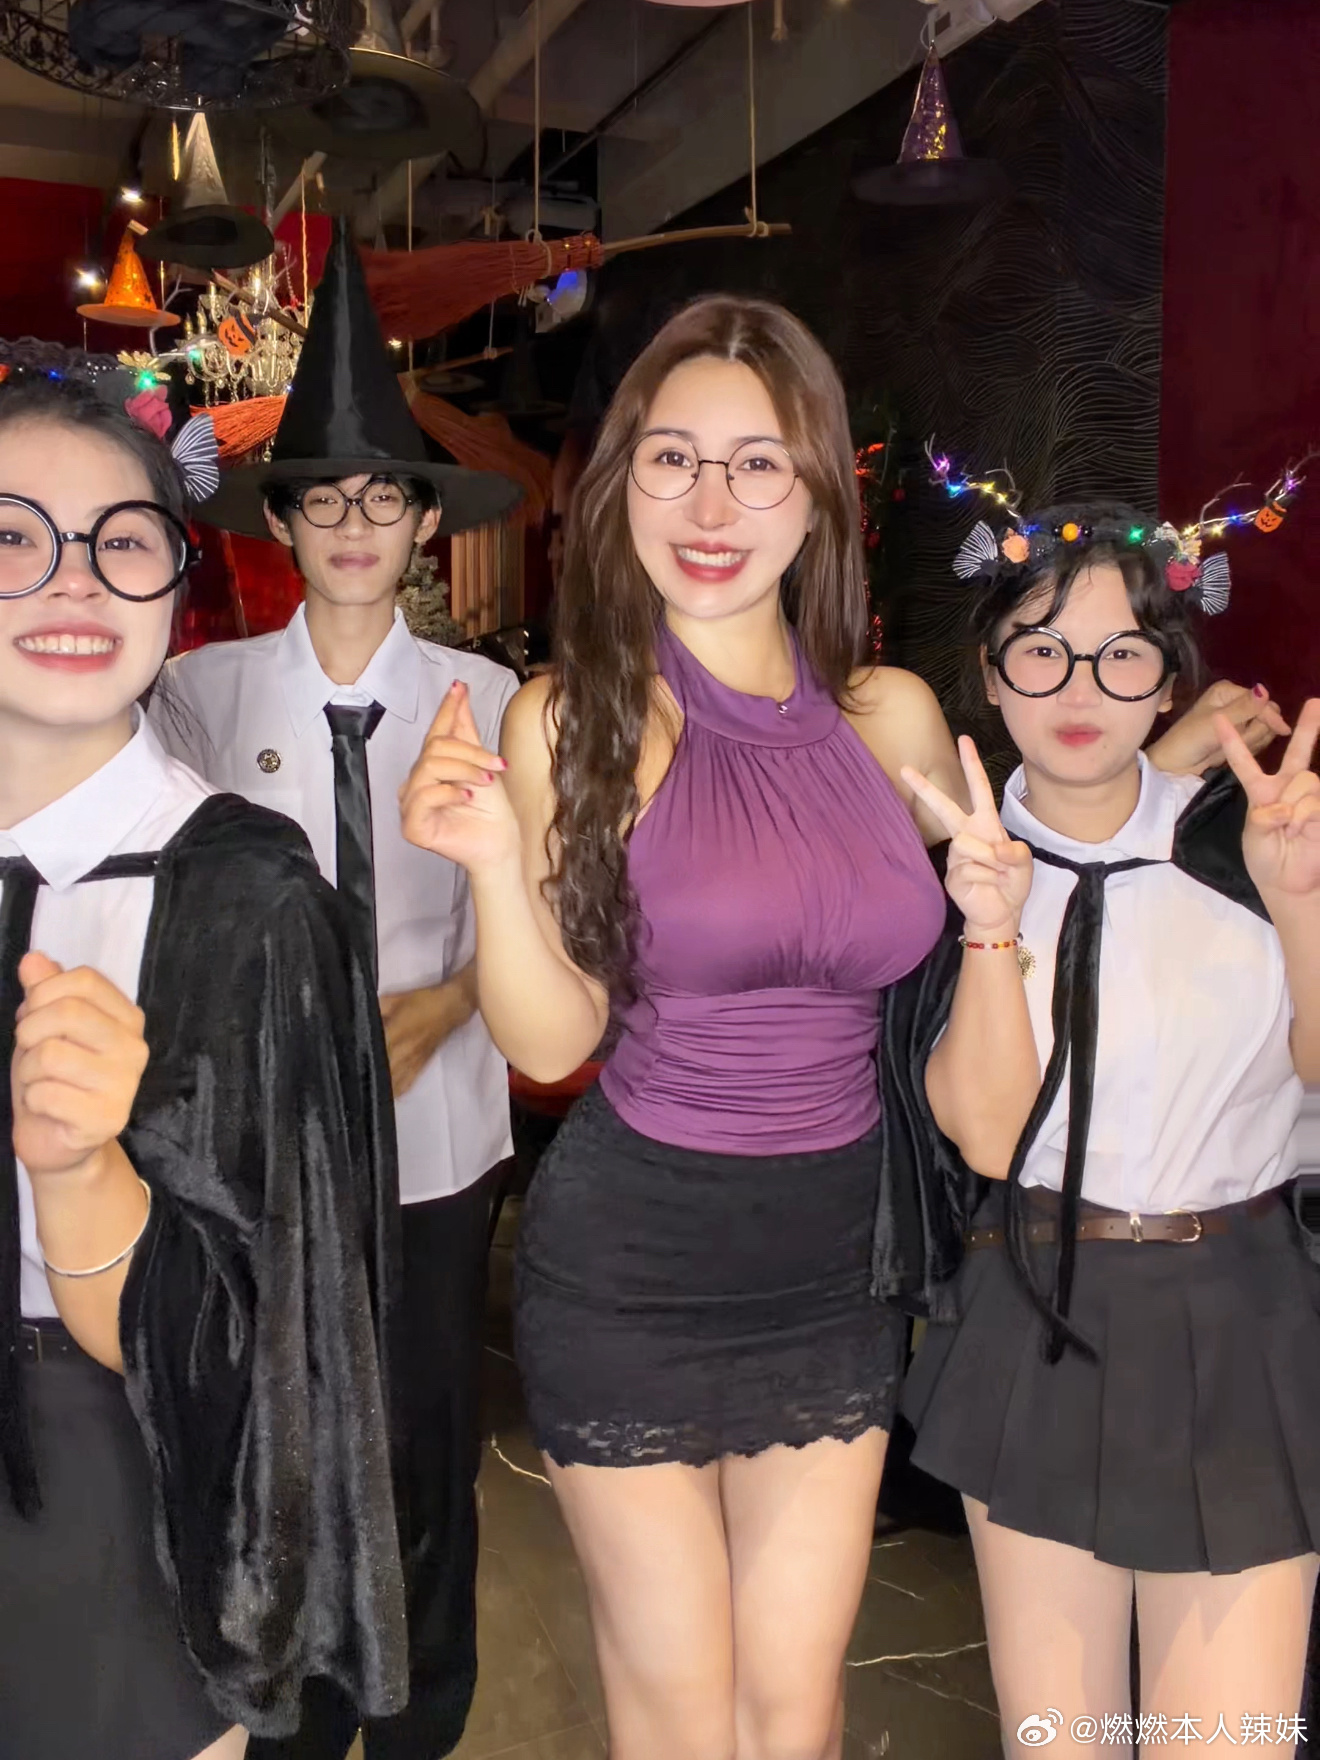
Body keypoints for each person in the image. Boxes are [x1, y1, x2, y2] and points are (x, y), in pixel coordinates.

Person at [395, 294, 1281, 1760]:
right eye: (674, 460)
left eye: (759, 464)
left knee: (796, 1711)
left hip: (836, 1262)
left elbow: (1017, 858)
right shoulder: (569, 720)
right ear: (621, 486)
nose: (713, 506)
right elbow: (550, 1042)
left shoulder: (893, 718)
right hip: (636, 1263)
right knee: (684, 1719)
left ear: (817, 496)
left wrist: (1168, 760)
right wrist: (492, 863)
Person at [0, 359, 406, 1759]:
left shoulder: (247, 895)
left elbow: (269, 1352)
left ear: (176, 584)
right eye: (11, 536)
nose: (72, 581)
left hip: (115, 1505)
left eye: (121, 541)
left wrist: (80, 1171)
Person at [156, 218, 522, 1760]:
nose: (357, 524)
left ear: (424, 524)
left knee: (428, 1445)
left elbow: (544, 926)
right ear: (285, 523)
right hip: (272, 1157)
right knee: (289, 1445)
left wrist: (449, 1004)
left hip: (439, 1148)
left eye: (386, 497)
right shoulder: (200, 696)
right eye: (327, 499)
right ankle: (299, 1717)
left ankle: (425, 1716)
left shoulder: (490, 700)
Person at [898, 495, 1320, 1756]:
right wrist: (989, 924)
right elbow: (986, 1137)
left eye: (1121, 653)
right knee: (1059, 1740)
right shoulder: (951, 870)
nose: (1079, 686)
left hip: (1242, 1313)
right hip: (1039, 1312)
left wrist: (1302, 906)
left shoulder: (1254, 842)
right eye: (1041, 648)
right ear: (991, 673)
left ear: (1167, 677)